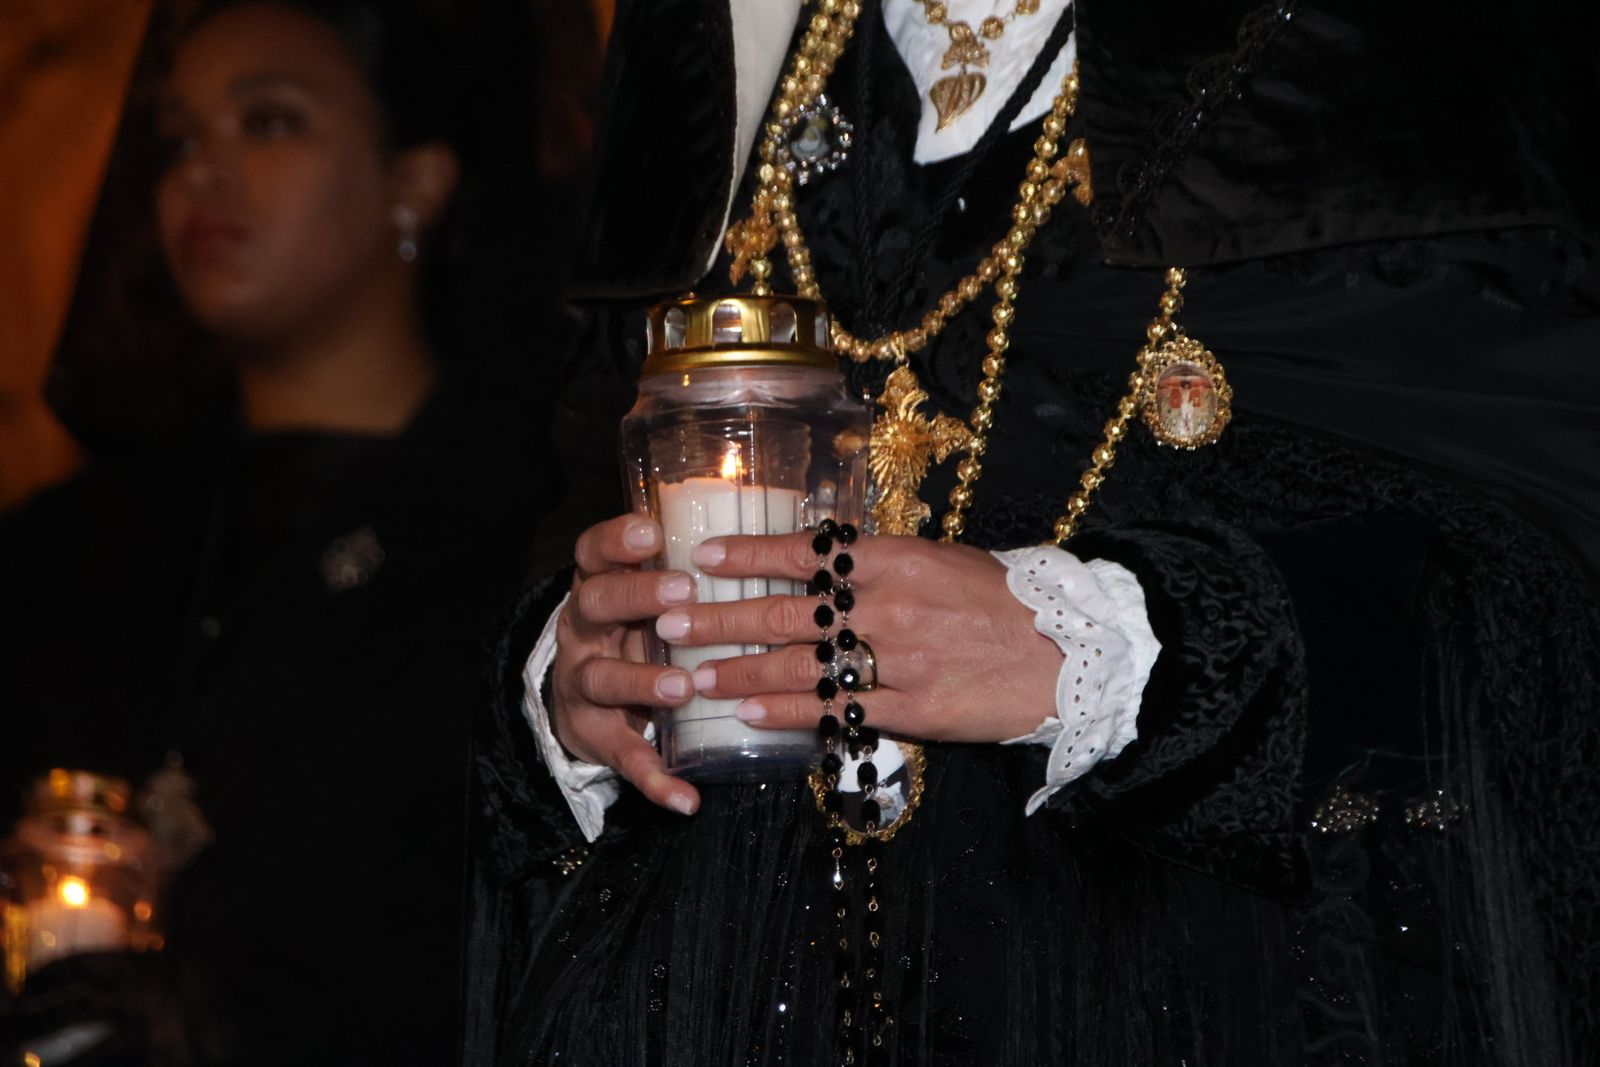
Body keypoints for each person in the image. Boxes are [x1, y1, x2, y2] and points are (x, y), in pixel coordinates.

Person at [469, 0, 1600, 1064]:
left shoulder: (1397, 49)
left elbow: (1528, 570)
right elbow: (572, 497)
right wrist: (584, 676)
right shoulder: (730, 51)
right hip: (729, 983)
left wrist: (1111, 650)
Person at [0, 1, 564, 1062]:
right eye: (179, 139)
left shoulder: (527, 555)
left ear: (416, 180)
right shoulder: (63, 550)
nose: (201, 175)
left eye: (268, 121)